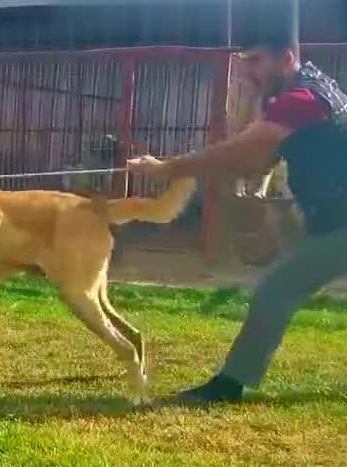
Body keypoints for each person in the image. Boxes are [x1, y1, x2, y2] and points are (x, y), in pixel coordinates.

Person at [127, 32, 347, 403]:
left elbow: (244, 152)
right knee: (280, 285)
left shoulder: (301, 99)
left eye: (256, 61)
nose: (248, 72)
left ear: (286, 57)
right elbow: (261, 159)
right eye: (245, 62)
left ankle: (230, 385)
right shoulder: (312, 87)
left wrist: (168, 168)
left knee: (278, 288)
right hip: (331, 218)